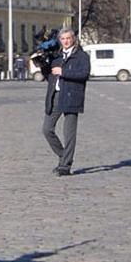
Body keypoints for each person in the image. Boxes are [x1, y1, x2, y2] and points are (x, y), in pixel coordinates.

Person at [44, 27, 91, 177]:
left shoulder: (81, 56)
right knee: (47, 129)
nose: (66, 41)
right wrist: (43, 65)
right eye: (63, 39)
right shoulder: (57, 57)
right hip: (56, 95)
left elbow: (84, 74)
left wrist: (64, 72)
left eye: (68, 38)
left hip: (72, 95)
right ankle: (64, 156)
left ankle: (65, 165)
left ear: (73, 39)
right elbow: (50, 76)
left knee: (69, 133)